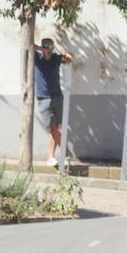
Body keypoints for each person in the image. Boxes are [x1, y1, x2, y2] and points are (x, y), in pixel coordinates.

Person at [33, 37, 72, 166]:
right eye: (46, 47)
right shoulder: (37, 58)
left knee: (55, 128)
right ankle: (66, 153)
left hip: (57, 97)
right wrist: (41, 49)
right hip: (43, 98)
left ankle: (51, 158)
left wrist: (67, 57)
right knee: (51, 128)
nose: (49, 50)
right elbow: (28, 45)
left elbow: (69, 57)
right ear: (42, 47)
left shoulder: (56, 58)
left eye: (51, 47)